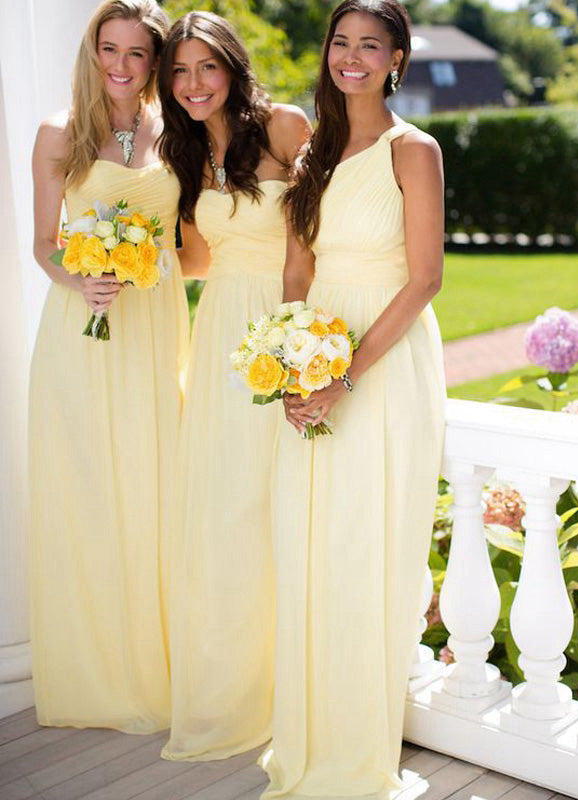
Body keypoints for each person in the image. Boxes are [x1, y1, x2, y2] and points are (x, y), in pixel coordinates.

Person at [260, 0, 446, 796]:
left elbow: (426, 278)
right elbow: (298, 273)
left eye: (372, 45)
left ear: (397, 59)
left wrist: (344, 378)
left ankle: (360, 750)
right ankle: (311, 736)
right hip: (316, 359)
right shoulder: (314, 155)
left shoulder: (416, 151)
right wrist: (292, 360)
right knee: (312, 549)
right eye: (342, 43)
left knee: (368, 547)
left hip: (384, 360)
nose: (353, 58)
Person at [30, 0, 189, 733]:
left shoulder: (178, 133)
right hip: (83, 324)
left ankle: (160, 669)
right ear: (93, 53)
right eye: (109, 50)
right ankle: (96, 676)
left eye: (136, 54)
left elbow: (194, 246)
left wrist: (150, 259)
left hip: (156, 324)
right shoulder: (61, 133)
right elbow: (43, 243)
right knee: (91, 490)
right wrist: (80, 276)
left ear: (155, 61)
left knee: (156, 485)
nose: (121, 67)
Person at [157, 12, 311, 761]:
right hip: (220, 335)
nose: (192, 85)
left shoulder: (284, 126)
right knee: (227, 510)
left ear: (232, 65)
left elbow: (321, 229)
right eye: (178, 72)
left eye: (204, 67)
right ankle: (234, 688)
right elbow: (192, 260)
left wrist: (297, 338)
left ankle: (300, 688)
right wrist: (109, 241)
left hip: (283, 324)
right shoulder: (183, 154)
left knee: (284, 501)